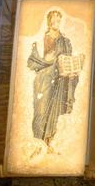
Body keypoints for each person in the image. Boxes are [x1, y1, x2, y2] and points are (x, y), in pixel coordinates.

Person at [29, 10, 82, 155]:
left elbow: (68, 58)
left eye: (58, 20)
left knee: (56, 109)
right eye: (53, 20)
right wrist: (51, 62)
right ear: (48, 21)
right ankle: (38, 143)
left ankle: (49, 142)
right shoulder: (40, 40)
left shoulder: (65, 40)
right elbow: (33, 60)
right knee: (41, 109)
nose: (55, 22)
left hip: (60, 81)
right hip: (44, 79)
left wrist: (72, 69)